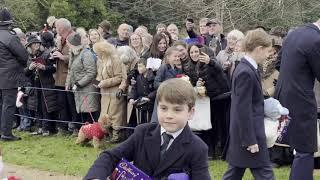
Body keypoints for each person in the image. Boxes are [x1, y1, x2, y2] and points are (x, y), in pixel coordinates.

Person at [84, 78, 211, 180]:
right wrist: (95, 177)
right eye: (164, 108)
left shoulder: (198, 148)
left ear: (190, 112)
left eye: (177, 109)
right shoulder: (142, 133)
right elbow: (111, 156)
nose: (169, 115)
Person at [223, 29, 274, 180]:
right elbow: (242, 109)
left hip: (246, 134)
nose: (268, 55)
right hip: (249, 135)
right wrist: (250, 140)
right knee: (265, 174)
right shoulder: (246, 72)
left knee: (234, 173)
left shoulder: (249, 68)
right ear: (259, 49)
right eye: (267, 51)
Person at [275, 19, 320, 180]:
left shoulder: (293, 35)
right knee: (306, 150)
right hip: (301, 100)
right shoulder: (316, 39)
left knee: (300, 149)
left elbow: (278, 63)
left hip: (283, 96)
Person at [0, 7, 29, 141]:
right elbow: (23, 55)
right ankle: (6, 133)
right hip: (8, 76)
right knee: (9, 104)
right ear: (9, 23)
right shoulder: (9, 37)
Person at [25, 35, 59, 136]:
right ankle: (39, 127)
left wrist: (44, 67)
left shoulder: (47, 54)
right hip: (35, 85)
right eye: (33, 44)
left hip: (47, 85)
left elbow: (54, 68)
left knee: (46, 107)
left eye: (37, 43)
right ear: (29, 47)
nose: (36, 45)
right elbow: (25, 73)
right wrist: (30, 68)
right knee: (37, 106)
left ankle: (46, 128)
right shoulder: (29, 57)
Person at [65, 33, 100, 133]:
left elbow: (91, 73)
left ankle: (94, 134)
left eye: (68, 43)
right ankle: (86, 134)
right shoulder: (73, 53)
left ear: (73, 44)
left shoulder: (86, 53)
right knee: (83, 112)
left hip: (88, 87)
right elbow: (70, 70)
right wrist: (68, 82)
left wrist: (79, 83)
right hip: (79, 89)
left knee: (90, 112)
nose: (67, 45)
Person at [94, 41, 127, 143]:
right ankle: (107, 134)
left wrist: (104, 83)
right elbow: (99, 75)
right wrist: (97, 81)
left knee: (115, 114)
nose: (97, 54)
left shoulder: (116, 60)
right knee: (105, 113)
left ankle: (117, 136)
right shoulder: (101, 61)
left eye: (98, 52)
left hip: (115, 92)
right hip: (104, 93)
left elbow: (119, 77)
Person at [53, 18, 78, 134]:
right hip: (59, 77)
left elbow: (77, 56)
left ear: (62, 28)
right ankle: (63, 127)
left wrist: (63, 57)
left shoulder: (75, 37)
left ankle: (76, 128)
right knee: (62, 104)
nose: (55, 29)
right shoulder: (60, 39)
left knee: (72, 104)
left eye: (56, 27)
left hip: (69, 77)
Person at [128, 58, 156, 124]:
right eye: (138, 66)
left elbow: (156, 90)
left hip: (150, 105)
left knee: (149, 123)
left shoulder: (153, 77)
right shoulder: (138, 77)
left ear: (146, 66)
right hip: (140, 104)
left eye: (140, 66)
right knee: (140, 122)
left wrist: (149, 97)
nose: (138, 68)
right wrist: (131, 98)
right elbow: (134, 88)